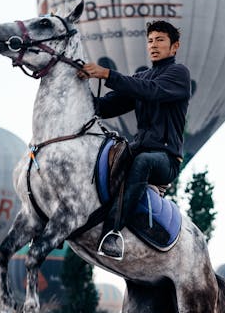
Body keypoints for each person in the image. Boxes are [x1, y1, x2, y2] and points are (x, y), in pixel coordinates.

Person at [78, 20, 191, 259]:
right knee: (100, 159)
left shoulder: (178, 74)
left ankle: (112, 233)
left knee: (143, 162)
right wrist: (78, 86)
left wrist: (107, 74)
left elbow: (150, 90)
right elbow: (106, 107)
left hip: (165, 160)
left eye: (160, 40)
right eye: (150, 40)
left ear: (174, 47)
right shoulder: (142, 77)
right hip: (137, 150)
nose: (153, 45)